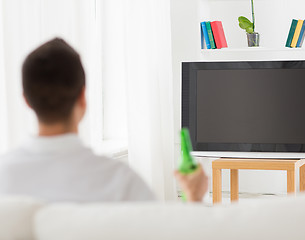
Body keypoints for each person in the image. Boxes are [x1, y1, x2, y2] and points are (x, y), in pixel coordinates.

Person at [0, 38, 208, 202]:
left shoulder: (4, 176)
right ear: (83, 98)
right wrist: (194, 198)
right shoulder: (122, 183)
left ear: (26, 100)